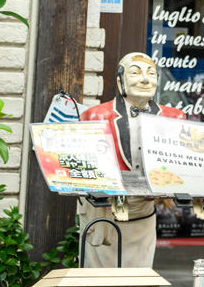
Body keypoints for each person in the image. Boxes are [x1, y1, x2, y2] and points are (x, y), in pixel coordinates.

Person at [78, 51, 187, 267]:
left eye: (151, 73)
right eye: (135, 73)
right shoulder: (96, 116)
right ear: (120, 81)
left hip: (143, 214)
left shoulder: (174, 118)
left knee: (137, 278)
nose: (145, 79)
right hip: (104, 214)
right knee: (98, 281)